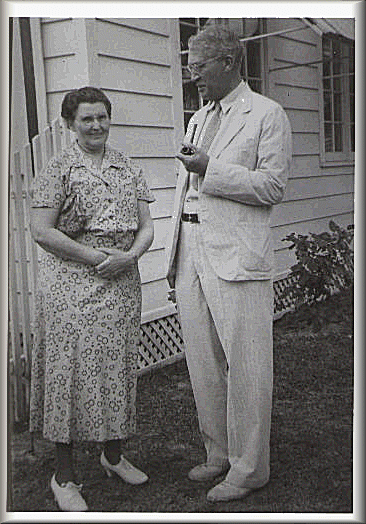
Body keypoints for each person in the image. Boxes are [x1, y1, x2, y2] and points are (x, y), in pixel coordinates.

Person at [165, 26, 292, 502]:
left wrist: (210, 170)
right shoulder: (199, 118)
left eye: (199, 67)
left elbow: (273, 187)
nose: (192, 75)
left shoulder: (266, 114)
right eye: (190, 66)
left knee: (247, 362)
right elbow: (185, 190)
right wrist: (175, 252)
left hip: (238, 253)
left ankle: (249, 467)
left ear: (229, 63)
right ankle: (218, 453)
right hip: (193, 249)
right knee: (202, 359)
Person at [29, 86, 155, 511]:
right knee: (70, 375)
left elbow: (146, 224)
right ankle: (64, 476)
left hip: (121, 282)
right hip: (72, 284)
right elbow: (43, 231)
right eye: (87, 119)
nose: (97, 125)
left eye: (102, 117)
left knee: (116, 368)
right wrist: (97, 258)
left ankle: (113, 455)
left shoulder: (126, 166)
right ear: (70, 124)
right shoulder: (58, 168)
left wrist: (130, 257)